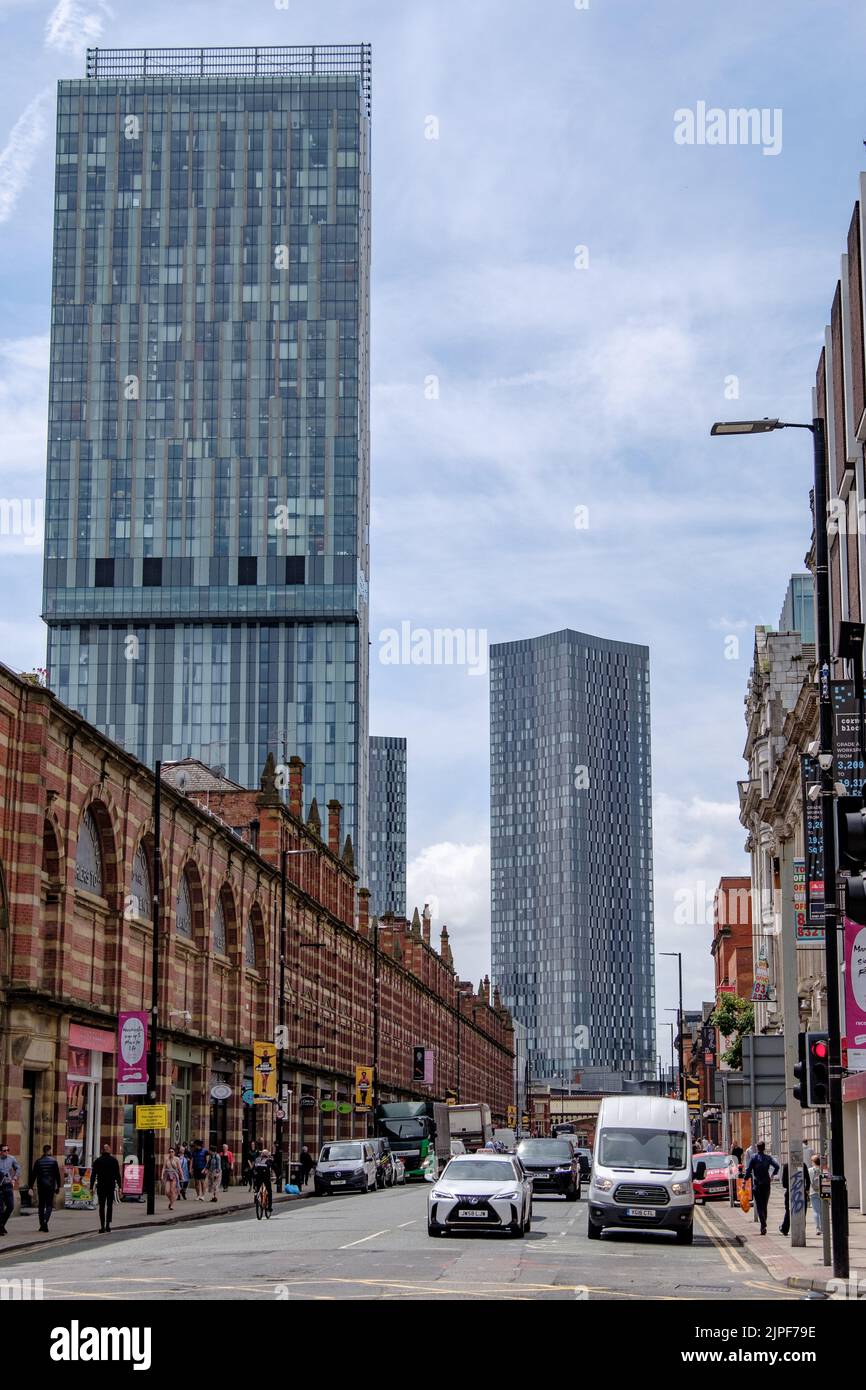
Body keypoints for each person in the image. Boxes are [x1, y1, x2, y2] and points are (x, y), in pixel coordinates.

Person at [744, 1140, 780, 1235]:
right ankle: (763, 1225)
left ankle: (763, 1224)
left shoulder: (753, 1157)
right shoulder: (768, 1158)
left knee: (759, 1206)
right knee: (764, 1206)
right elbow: (777, 1166)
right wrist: (772, 1175)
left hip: (757, 1184)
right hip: (766, 1184)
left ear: (757, 1148)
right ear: (764, 1148)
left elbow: (748, 1170)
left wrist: (744, 1181)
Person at [29, 1144, 62, 1232]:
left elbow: (33, 1175)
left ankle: (41, 1224)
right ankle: (45, 1221)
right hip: (50, 1186)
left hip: (41, 1186)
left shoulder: (38, 1161)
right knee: (49, 1205)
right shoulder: (54, 1161)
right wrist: (58, 1186)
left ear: (43, 1151)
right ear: (49, 1151)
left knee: (41, 1205)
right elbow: (57, 1175)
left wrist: (30, 1186)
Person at [91, 1142, 122, 1233]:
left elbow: (93, 1175)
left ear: (102, 1150)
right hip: (110, 1186)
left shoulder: (98, 1161)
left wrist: (91, 1186)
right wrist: (120, 1186)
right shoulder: (114, 1160)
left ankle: (102, 1226)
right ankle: (108, 1225)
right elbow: (117, 1175)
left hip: (101, 1186)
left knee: (101, 1206)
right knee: (109, 1205)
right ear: (109, 1150)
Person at [779, 1157, 810, 1236]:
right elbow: (808, 1181)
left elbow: (784, 1183)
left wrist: (791, 1187)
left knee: (789, 1211)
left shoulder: (786, 1166)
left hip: (790, 1192)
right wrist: (806, 1189)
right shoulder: (803, 1165)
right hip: (801, 1193)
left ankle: (785, 1228)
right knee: (802, 1212)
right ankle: (801, 1230)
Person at [0, 1142, 21, 1236]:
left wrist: (14, 1178)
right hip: (0, 1186)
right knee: (0, 1209)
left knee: (10, 1206)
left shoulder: (12, 1158)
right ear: (0, 1151)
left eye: (8, 1150)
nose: (6, 1152)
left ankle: (1, 1225)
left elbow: (18, 1168)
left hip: (8, 1185)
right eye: (4, 1150)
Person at [252, 1147, 275, 1213]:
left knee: (257, 1188)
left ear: (261, 1154)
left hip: (257, 1177)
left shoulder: (257, 1159)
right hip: (265, 1178)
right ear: (267, 1154)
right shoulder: (269, 1160)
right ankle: (269, 1207)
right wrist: (279, 1175)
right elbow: (275, 1167)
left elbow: (253, 1168)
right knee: (269, 1191)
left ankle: (256, 1196)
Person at [807, 1152, 824, 1235]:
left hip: (813, 1192)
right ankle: (823, 1228)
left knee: (816, 1211)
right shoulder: (823, 1170)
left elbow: (807, 1181)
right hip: (822, 1192)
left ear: (813, 1162)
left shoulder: (809, 1170)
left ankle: (818, 1229)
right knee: (822, 1211)